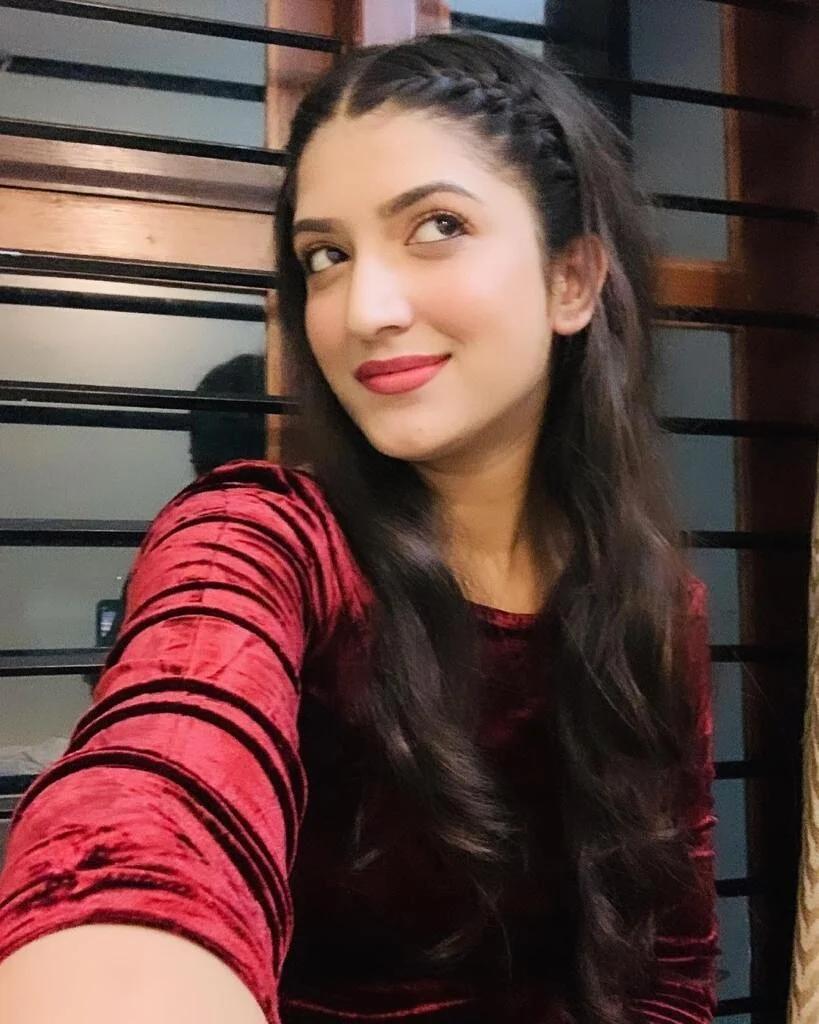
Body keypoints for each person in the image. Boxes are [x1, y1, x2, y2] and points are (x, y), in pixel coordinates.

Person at [0, 32, 718, 1024]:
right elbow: (155, 794)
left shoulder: (653, 603)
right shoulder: (262, 540)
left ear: (571, 279)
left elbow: (668, 973)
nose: (364, 309)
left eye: (435, 226)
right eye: (326, 256)